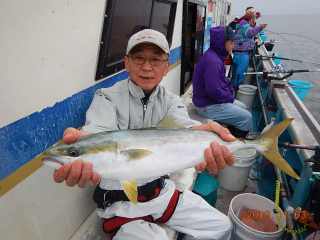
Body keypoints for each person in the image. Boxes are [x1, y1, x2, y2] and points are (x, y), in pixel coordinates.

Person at [53, 29, 235, 239]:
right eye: (139, 58)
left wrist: (201, 131)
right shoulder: (107, 97)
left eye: (156, 60)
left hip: (162, 193)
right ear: (127, 63)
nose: (147, 67)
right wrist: (83, 143)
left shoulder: (172, 101)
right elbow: (98, 131)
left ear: (166, 67)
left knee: (221, 226)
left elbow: (184, 128)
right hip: (120, 202)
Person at [192, 26, 252, 139]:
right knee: (247, 117)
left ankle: (229, 132)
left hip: (210, 100)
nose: (233, 46)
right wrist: (228, 98)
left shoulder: (215, 55)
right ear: (221, 42)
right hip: (207, 105)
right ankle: (233, 142)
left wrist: (227, 97)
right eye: (231, 42)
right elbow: (213, 91)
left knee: (243, 106)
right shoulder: (213, 62)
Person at [232, 11, 267, 88]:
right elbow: (250, 33)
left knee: (235, 73)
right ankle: (235, 89)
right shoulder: (246, 27)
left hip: (236, 53)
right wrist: (261, 27)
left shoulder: (240, 26)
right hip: (243, 55)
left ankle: (233, 86)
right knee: (239, 74)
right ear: (251, 19)